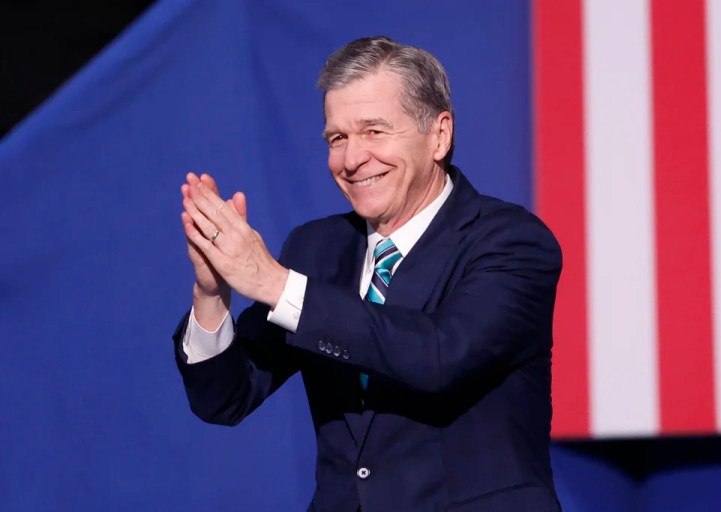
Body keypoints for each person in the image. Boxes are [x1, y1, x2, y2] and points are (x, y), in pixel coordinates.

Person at [174, 36, 562, 512]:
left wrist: (276, 284)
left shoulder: (511, 242)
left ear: (439, 135)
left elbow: (438, 356)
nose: (351, 159)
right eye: (337, 138)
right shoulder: (318, 249)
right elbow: (226, 399)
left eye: (374, 131)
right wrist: (211, 294)